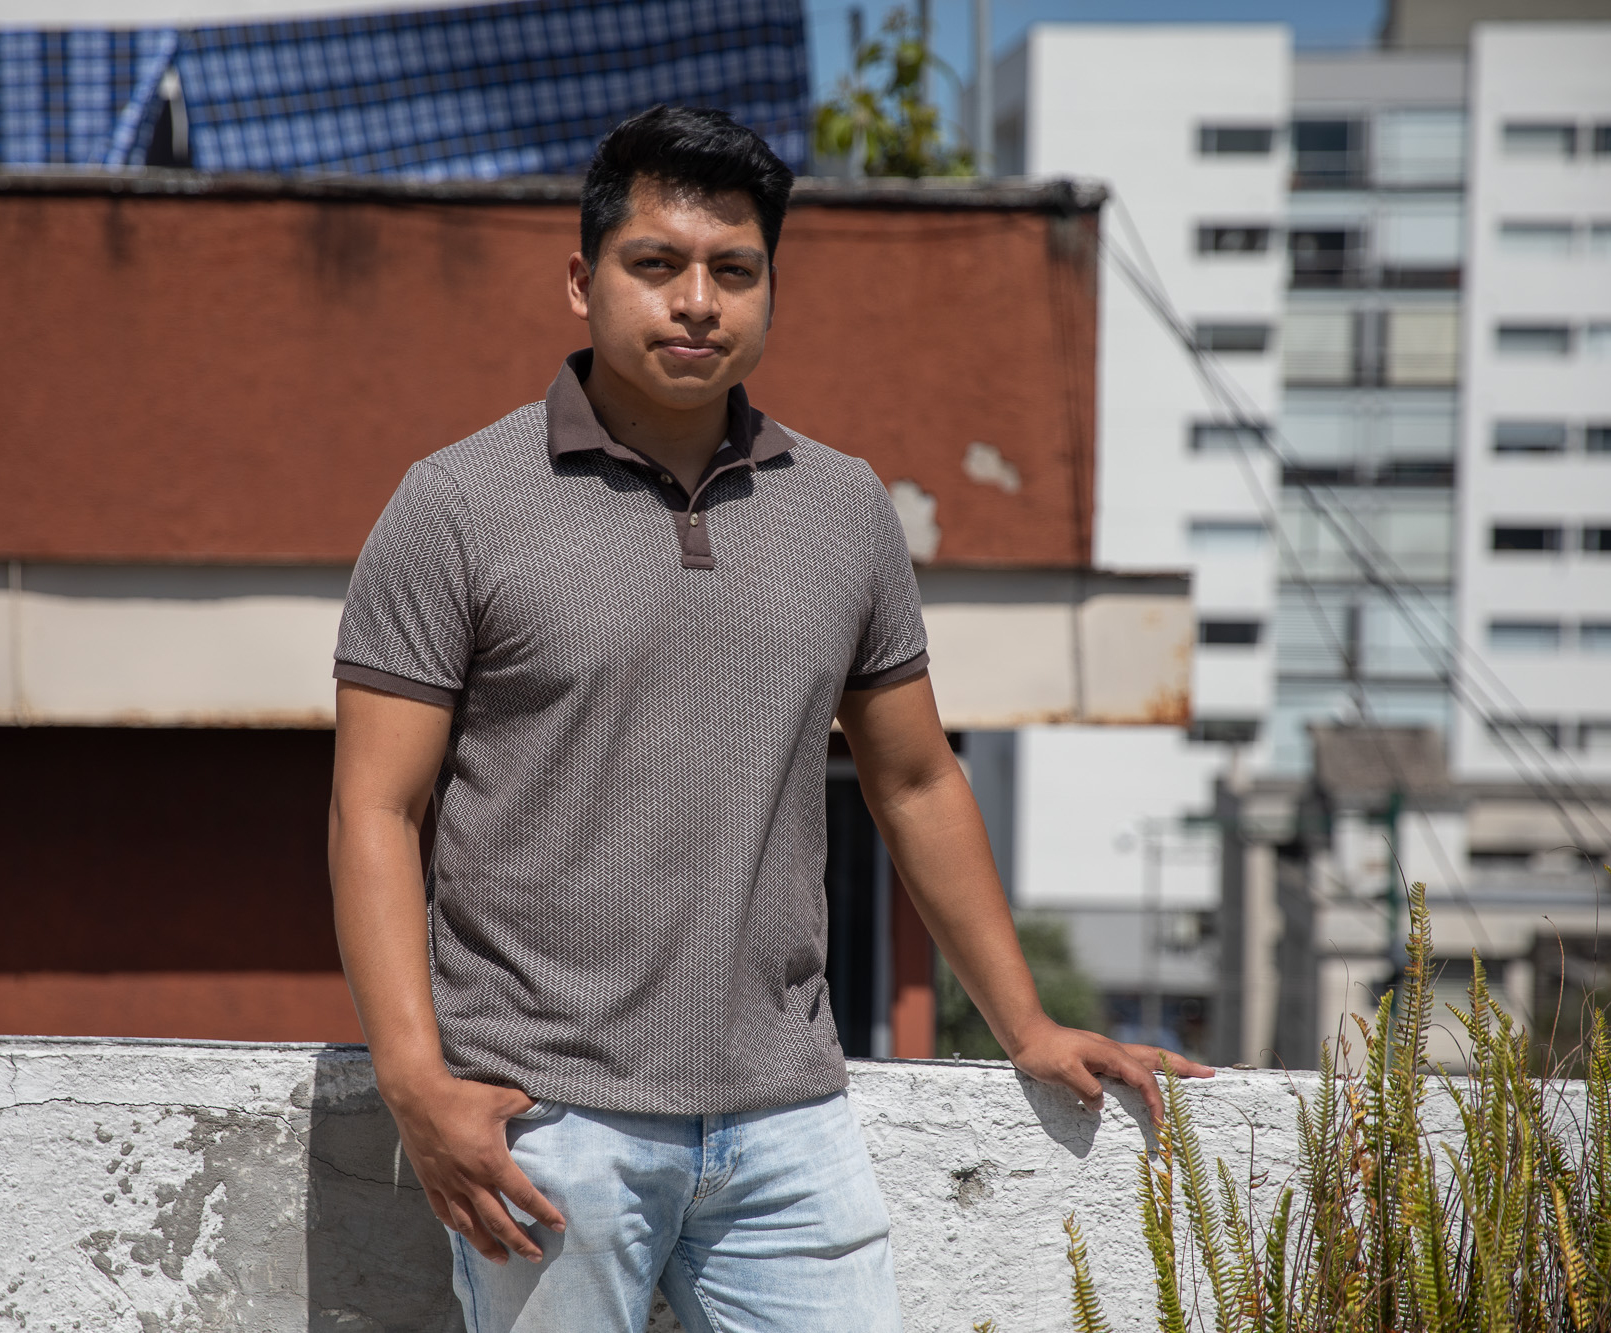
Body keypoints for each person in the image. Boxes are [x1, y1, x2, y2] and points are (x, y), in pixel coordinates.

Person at [327, 104, 1212, 1333]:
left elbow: (913, 780)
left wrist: (1025, 1023)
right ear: (581, 284)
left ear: (767, 291)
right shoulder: (457, 504)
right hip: (546, 1119)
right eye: (657, 265)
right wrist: (415, 1081)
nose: (697, 301)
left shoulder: (843, 508)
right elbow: (377, 805)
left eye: (733, 272)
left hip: (786, 1121)